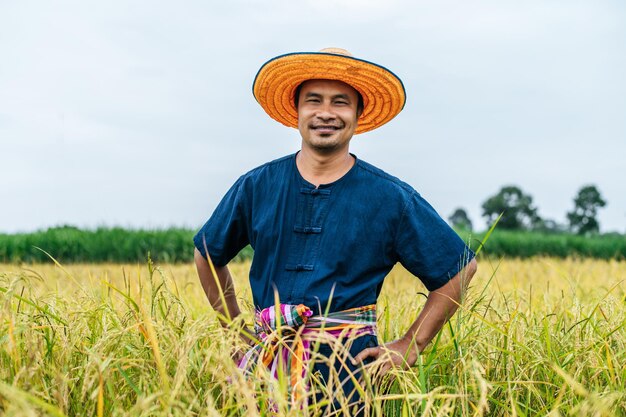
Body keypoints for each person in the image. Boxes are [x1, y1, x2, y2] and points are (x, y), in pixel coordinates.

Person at [193, 47, 478, 413]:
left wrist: (411, 343)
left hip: (351, 374)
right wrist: (232, 328)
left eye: (340, 103)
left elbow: (458, 269)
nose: (326, 112)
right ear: (297, 111)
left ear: (358, 115)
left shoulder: (391, 197)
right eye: (314, 100)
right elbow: (207, 254)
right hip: (266, 370)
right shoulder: (256, 185)